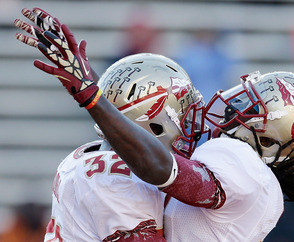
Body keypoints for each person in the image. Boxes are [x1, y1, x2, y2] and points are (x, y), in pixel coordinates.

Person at [15, 7, 294, 241]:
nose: (226, 101)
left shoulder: (246, 168)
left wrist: (93, 97)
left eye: (247, 104)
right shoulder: (258, 183)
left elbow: (168, 173)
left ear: (268, 139)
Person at [14, 8, 208, 241]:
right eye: (183, 117)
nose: (191, 126)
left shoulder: (95, 159)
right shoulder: (118, 180)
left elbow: (124, 120)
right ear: (155, 126)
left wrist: (91, 85)